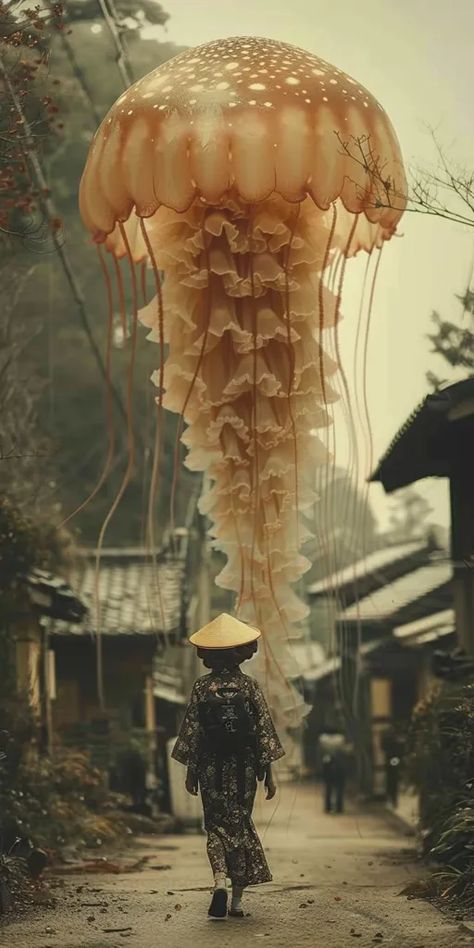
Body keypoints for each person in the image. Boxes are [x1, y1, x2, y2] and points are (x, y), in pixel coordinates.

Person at [172, 612, 285, 920]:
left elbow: (192, 732)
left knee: (216, 828)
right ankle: (236, 903)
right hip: (244, 768)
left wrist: (191, 772)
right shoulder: (249, 687)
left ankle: (219, 880)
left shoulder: (201, 688)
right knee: (240, 825)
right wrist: (269, 775)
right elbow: (263, 732)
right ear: (240, 653)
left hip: (211, 768)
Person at [319, 727, 350, 814]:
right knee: (340, 788)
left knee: (328, 787)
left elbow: (320, 752)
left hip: (327, 766)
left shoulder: (322, 739)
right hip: (340, 765)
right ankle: (339, 807)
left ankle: (328, 807)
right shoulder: (341, 739)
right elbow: (346, 751)